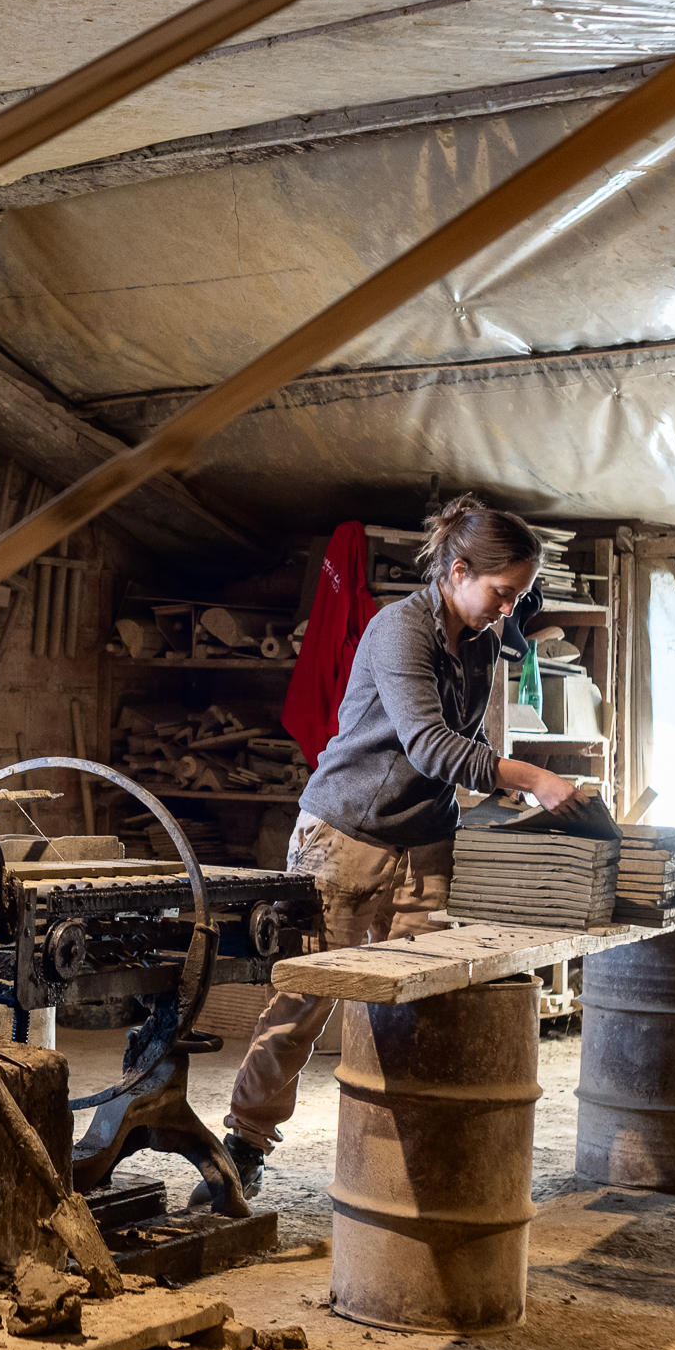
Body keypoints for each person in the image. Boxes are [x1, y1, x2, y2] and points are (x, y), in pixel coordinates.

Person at [210, 494, 581, 1199]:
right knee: (305, 1002)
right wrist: (530, 777)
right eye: (502, 593)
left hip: (424, 844)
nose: (509, 611)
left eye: (519, 598)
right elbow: (431, 744)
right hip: (344, 837)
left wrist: (512, 796)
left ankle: (399, 1155)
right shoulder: (397, 631)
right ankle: (244, 1142)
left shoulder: (484, 637)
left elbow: (461, 745)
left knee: (419, 1004)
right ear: (458, 569)